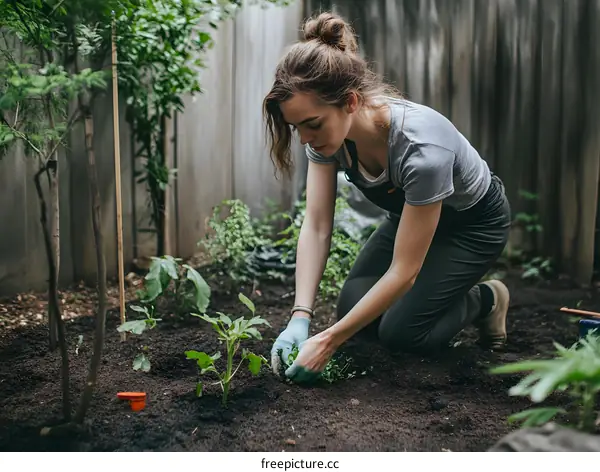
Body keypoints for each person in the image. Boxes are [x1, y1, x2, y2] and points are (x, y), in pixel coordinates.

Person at [263, 12, 512, 384]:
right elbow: (316, 226)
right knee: (355, 313)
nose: (303, 139)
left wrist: (328, 341)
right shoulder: (329, 139)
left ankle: (487, 300)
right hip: (411, 217)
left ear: (349, 102)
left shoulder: (421, 148)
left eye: (311, 124)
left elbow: (404, 271)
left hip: (471, 226)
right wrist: (301, 316)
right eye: (295, 127)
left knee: (402, 332)